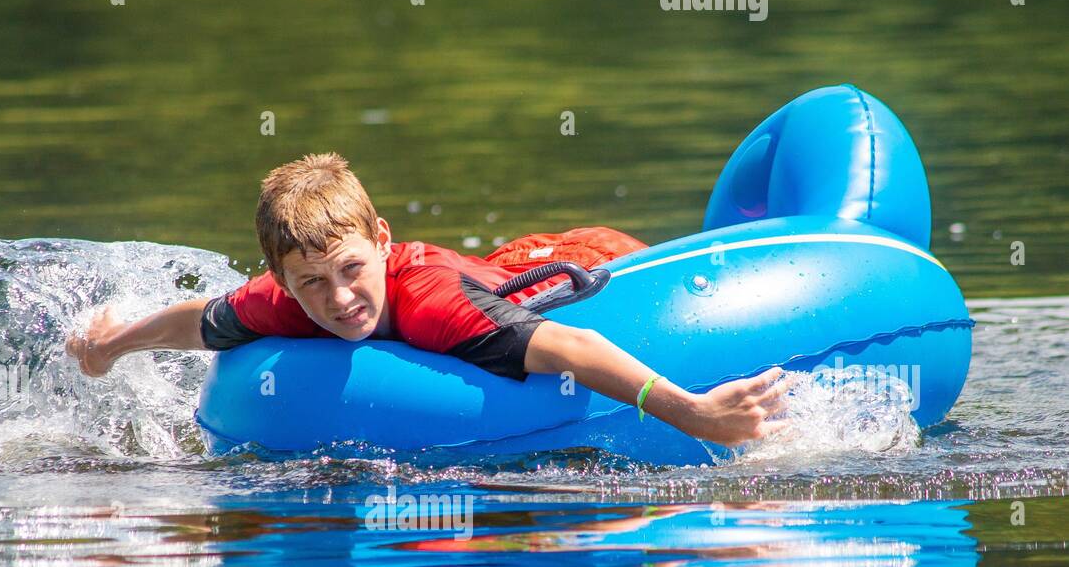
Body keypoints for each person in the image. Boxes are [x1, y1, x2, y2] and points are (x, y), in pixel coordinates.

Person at [66, 152, 787, 447]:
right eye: (311, 282)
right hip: (488, 269)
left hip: (572, 263)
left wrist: (695, 413)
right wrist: (111, 344)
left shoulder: (433, 306)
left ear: (381, 239)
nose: (339, 298)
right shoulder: (287, 299)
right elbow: (203, 320)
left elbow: (574, 347)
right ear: (282, 280)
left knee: (611, 256)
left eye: (351, 269)